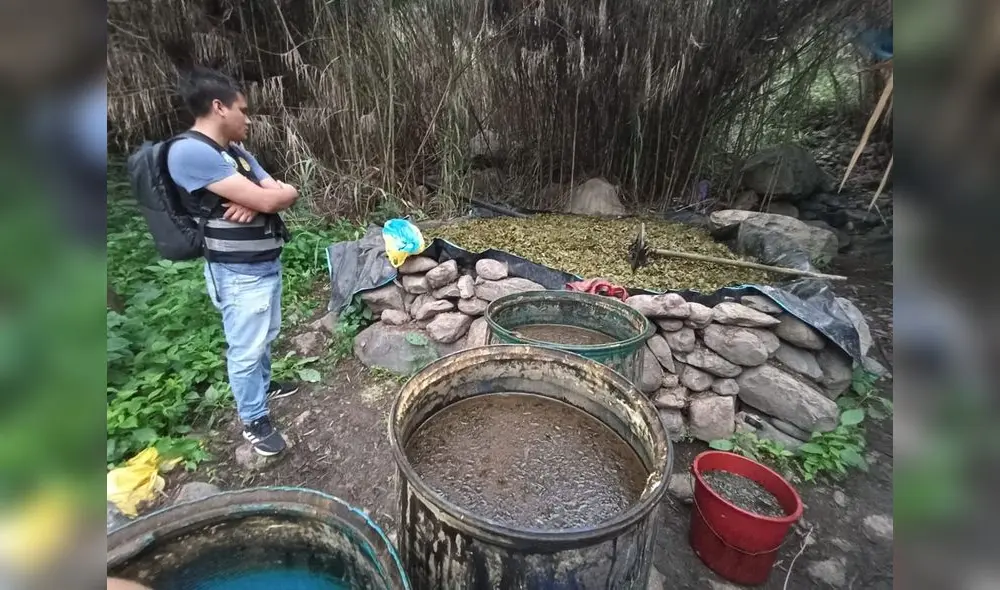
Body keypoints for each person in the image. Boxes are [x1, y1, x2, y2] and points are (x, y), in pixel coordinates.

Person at [166, 66, 300, 456]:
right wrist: (262, 197)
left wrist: (261, 197)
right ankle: (255, 420)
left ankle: (262, 386)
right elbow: (272, 198)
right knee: (245, 348)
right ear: (219, 107)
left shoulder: (236, 153)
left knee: (264, 337)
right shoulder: (190, 151)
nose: (248, 117)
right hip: (237, 272)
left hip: (261, 264)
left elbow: (282, 191)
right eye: (243, 109)